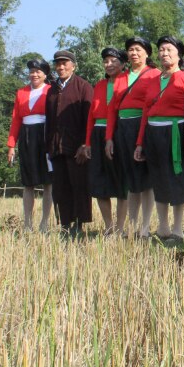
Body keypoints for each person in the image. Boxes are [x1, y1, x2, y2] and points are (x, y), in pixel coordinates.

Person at [134, 36, 184, 239]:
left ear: (179, 54)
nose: (164, 53)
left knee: (177, 178)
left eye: (169, 49)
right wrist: (139, 142)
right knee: (158, 178)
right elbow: (146, 112)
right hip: (153, 133)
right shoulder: (152, 80)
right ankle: (162, 227)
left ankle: (177, 229)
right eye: (161, 49)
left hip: (176, 131)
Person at [105, 37, 161, 238]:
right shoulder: (120, 77)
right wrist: (109, 137)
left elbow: (152, 105)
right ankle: (131, 226)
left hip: (144, 126)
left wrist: (143, 136)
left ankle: (145, 227)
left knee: (146, 179)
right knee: (130, 179)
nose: (134, 53)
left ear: (147, 52)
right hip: (122, 129)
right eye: (130, 50)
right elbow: (112, 109)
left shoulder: (155, 74)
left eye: (138, 49)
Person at [45, 50, 93, 235]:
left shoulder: (83, 86)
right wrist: (48, 145)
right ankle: (65, 224)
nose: (61, 67)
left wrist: (85, 144)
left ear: (74, 65)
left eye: (65, 63)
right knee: (60, 188)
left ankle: (79, 224)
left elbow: (89, 118)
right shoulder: (52, 90)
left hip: (77, 147)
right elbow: (49, 120)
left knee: (79, 185)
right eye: (58, 64)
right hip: (56, 147)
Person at [81, 47, 128, 235]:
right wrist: (87, 142)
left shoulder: (128, 81)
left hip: (119, 132)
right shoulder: (99, 85)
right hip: (97, 134)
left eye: (113, 60)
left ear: (123, 63)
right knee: (100, 181)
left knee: (121, 180)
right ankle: (109, 226)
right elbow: (91, 115)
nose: (108, 64)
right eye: (106, 61)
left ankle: (121, 227)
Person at [7, 58, 55, 231]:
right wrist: (11, 145)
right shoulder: (21, 92)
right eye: (32, 71)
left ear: (45, 74)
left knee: (48, 182)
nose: (34, 74)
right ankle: (27, 223)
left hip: (45, 135)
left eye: (38, 71)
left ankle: (44, 223)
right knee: (28, 183)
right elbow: (15, 120)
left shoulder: (51, 91)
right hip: (26, 137)